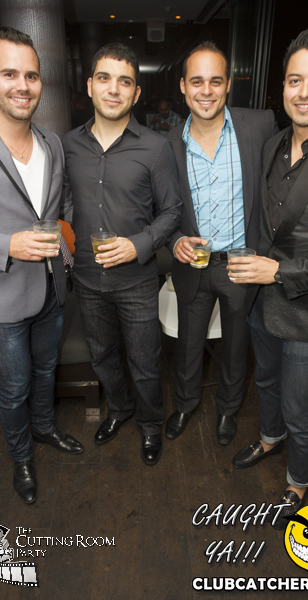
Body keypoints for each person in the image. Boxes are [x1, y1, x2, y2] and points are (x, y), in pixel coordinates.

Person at [230, 25, 308, 528]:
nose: (304, 92)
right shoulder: (273, 144)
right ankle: (270, 437)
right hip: (260, 300)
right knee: (264, 379)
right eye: (294, 80)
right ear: (282, 86)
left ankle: (299, 478)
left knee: (301, 403)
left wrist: (279, 271)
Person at [0, 26, 84, 505]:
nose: (23, 85)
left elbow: (62, 208)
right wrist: (5, 244)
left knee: (47, 370)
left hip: (52, 288)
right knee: (14, 388)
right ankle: (21, 456)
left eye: (31, 75)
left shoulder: (52, 143)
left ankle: (45, 428)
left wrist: (68, 258)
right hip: (0, 296)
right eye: (9, 73)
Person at [61, 43, 182, 466]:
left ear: (136, 92)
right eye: (105, 78)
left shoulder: (156, 147)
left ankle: (150, 424)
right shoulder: (67, 145)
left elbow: (172, 211)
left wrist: (138, 244)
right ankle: (120, 409)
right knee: (102, 355)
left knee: (145, 362)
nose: (114, 89)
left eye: (124, 81)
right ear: (90, 86)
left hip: (137, 280)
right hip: (87, 278)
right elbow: (62, 202)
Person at [165, 41, 276, 444]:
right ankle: (184, 404)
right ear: (183, 86)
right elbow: (162, 209)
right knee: (188, 344)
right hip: (194, 264)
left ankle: (228, 410)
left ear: (228, 84)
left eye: (216, 81)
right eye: (197, 81)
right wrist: (174, 239)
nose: (206, 90)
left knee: (236, 346)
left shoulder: (260, 126)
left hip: (241, 263)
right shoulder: (168, 144)